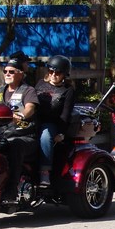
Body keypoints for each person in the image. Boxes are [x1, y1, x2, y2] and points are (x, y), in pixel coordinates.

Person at [0, 52, 39, 204]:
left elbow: (30, 107)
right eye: (5, 71)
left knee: (15, 146)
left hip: (24, 136)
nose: (7, 74)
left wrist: (22, 115)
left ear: (20, 74)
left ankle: (11, 189)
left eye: (11, 72)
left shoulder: (28, 90)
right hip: (1, 134)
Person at [34, 55, 76, 186]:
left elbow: (65, 114)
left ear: (64, 74)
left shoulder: (68, 90)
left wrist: (61, 133)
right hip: (35, 121)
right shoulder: (40, 84)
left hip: (51, 123)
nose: (53, 75)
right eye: (51, 71)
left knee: (45, 136)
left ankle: (45, 171)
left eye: (57, 73)